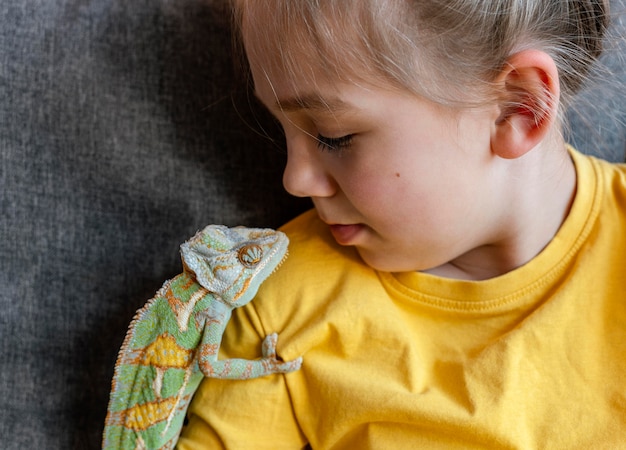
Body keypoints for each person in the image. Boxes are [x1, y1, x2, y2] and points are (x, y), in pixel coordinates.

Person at [178, 0, 626, 448]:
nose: (294, 179)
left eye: (334, 136)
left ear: (519, 107)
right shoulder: (275, 308)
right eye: (282, 129)